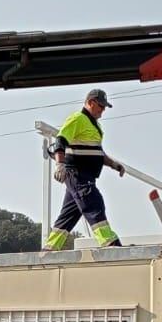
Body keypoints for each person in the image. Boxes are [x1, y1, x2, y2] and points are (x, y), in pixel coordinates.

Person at [45, 89, 127, 251]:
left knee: (68, 215)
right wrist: (59, 164)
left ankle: (50, 249)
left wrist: (113, 164)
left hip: (85, 174)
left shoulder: (94, 125)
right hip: (77, 173)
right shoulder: (78, 119)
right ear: (91, 102)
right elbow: (61, 140)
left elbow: (96, 152)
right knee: (94, 203)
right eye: (101, 107)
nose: (103, 111)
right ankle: (109, 243)